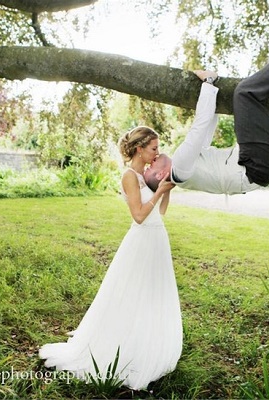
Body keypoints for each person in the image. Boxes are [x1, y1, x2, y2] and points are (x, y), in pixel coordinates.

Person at [39, 126, 180, 391]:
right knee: (132, 294)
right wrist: (159, 191)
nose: (157, 153)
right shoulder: (130, 176)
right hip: (140, 241)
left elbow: (159, 214)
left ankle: (145, 342)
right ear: (139, 149)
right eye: (153, 148)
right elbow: (138, 215)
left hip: (157, 240)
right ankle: (122, 347)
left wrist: (167, 190)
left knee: (151, 295)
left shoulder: (146, 176)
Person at [144, 11, 269, 195]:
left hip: (263, 165)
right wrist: (208, 82)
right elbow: (199, 127)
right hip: (256, 165)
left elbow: (207, 127)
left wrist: (212, 96)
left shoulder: (188, 169)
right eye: (150, 169)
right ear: (161, 175)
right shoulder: (179, 166)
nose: (150, 162)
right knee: (244, 93)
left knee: (256, 101)